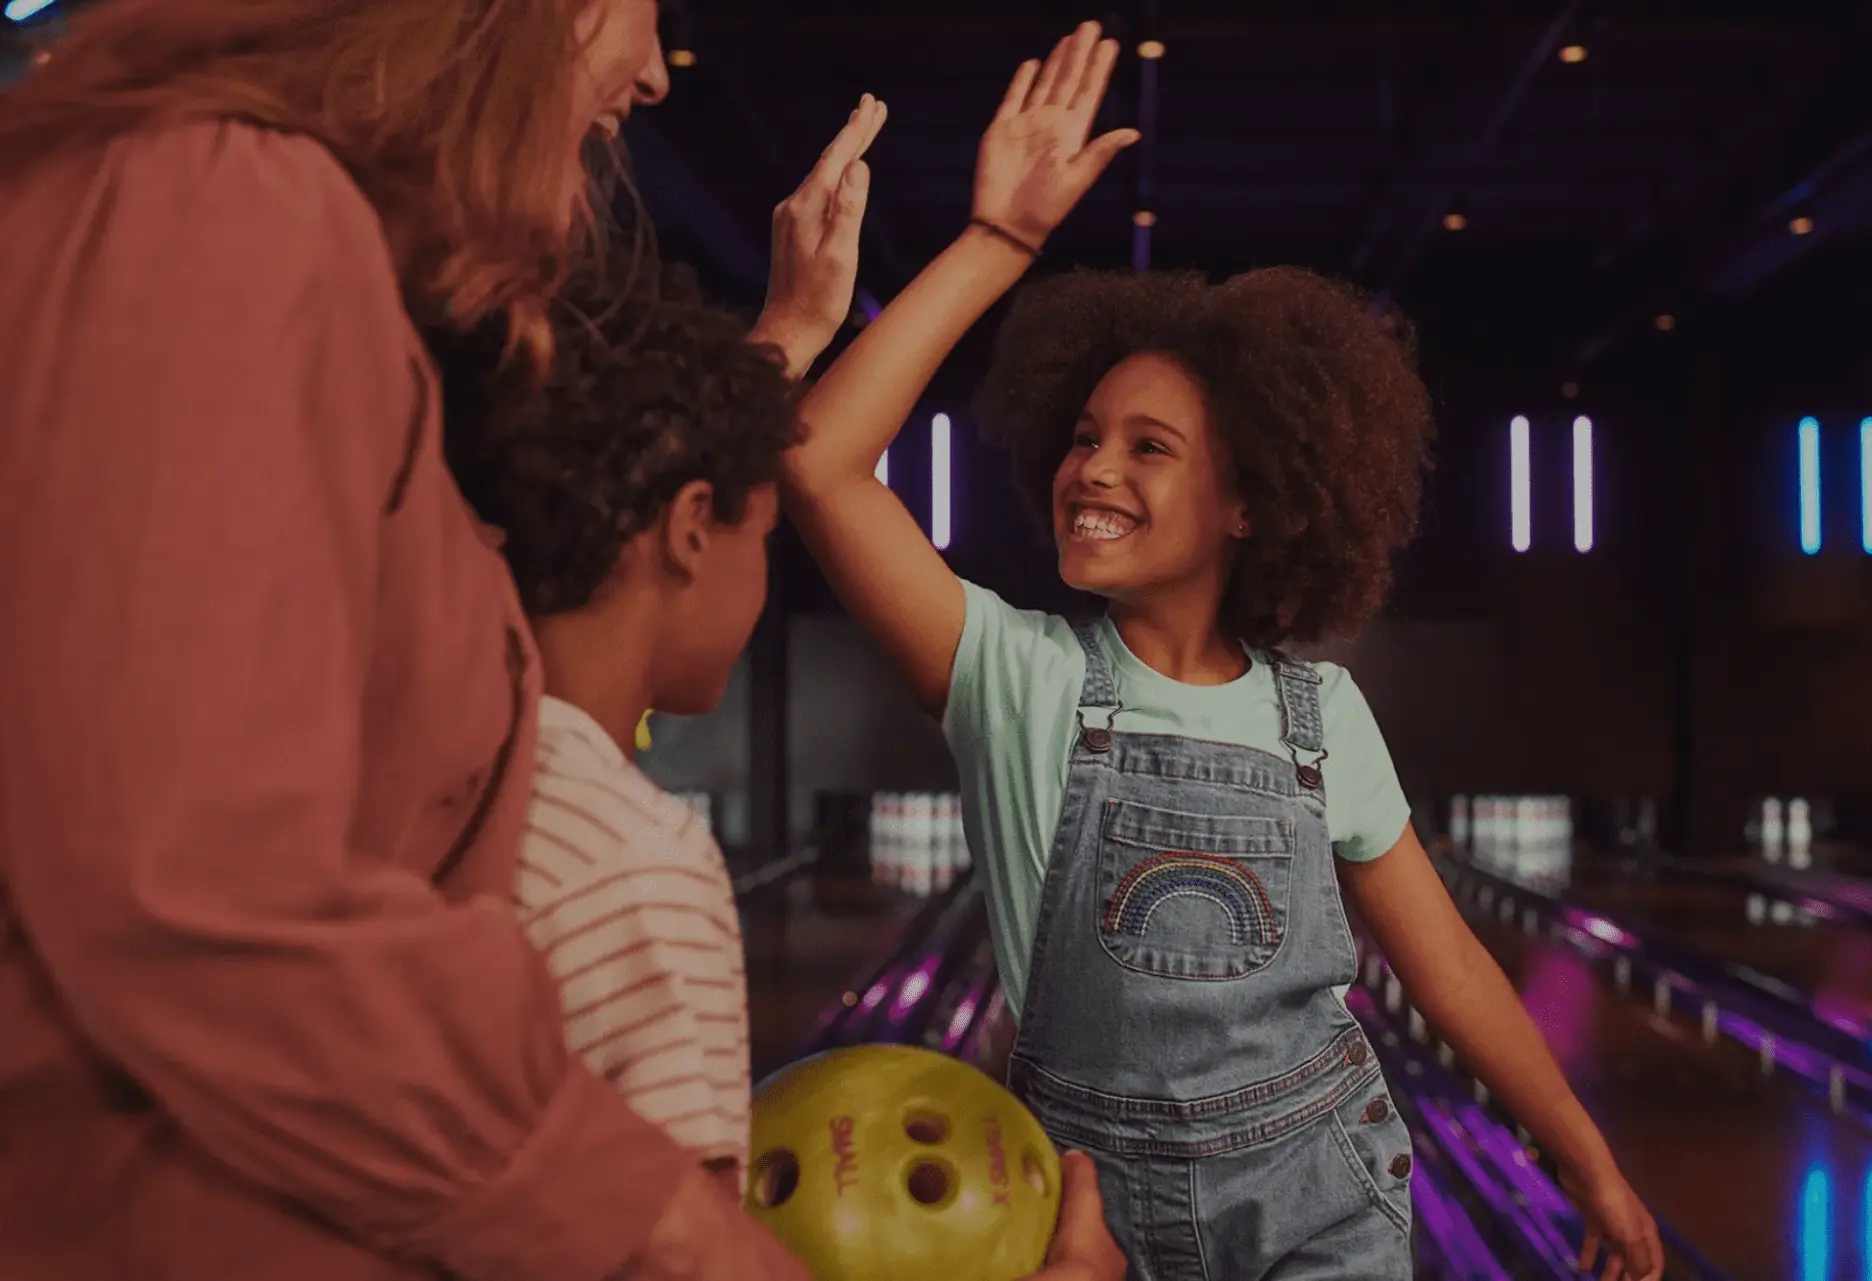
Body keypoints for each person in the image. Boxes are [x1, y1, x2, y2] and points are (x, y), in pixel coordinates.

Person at [776, 19, 1668, 1281]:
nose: (1093, 468)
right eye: (1085, 436)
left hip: (1322, 1180)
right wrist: (1000, 243)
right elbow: (819, 462)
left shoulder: (1323, 715)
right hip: (1081, 1198)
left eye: (1150, 448)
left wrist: (1588, 1159)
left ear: (1251, 501)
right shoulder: (1013, 674)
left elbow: (1451, 968)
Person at [0, 1, 837, 1278]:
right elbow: (205, 888)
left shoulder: (288, 250)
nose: (658, 73)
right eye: (638, 10)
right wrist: (681, 1240)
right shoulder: (231, 211)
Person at [447, 96, 1126, 1279]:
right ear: (692, 529)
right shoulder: (638, 875)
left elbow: (628, 478)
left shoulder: (449, 748)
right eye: (763, 537)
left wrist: (789, 330)